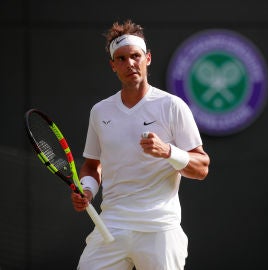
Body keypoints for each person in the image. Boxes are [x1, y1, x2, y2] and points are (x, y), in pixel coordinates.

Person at [71, 19, 210, 270]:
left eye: (135, 56)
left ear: (147, 58)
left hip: (159, 230)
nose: (130, 64)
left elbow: (201, 168)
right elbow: (93, 165)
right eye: (121, 59)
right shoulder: (100, 111)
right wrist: (87, 188)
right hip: (112, 225)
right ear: (113, 65)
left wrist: (167, 151)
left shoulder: (172, 106)